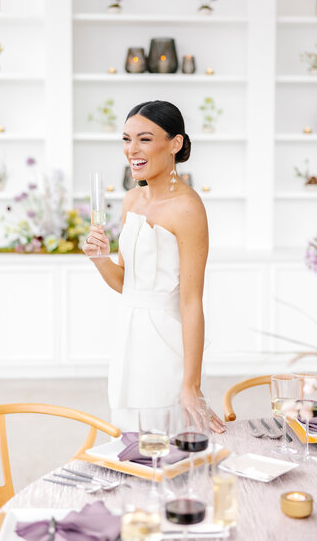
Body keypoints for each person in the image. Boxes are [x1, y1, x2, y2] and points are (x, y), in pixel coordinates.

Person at [83, 100, 225, 434]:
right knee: (131, 442)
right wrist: (100, 260)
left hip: (164, 346)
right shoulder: (132, 200)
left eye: (144, 139)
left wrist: (191, 384)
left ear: (174, 143)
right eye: (126, 139)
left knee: (167, 441)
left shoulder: (188, 209)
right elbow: (126, 285)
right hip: (128, 341)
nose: (132, 149)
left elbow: (191, 301)